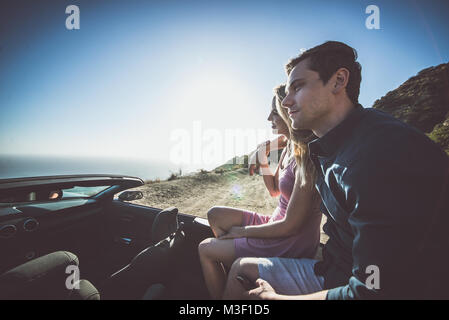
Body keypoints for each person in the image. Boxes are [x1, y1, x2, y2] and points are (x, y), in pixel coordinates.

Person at [223, 41, 449, 300]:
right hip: (335, 268)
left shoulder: (377, 156)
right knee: (241, 270)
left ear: (338, 81)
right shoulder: (334, 143)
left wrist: (278, 299)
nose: (285, 102)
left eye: (297, 87)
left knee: (243, 280)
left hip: (363, 283)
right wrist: (268, 150)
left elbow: (374, 291)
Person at [198, 85, 322, 299]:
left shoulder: (305, 156)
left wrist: (243, 232)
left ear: (288, 113)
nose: (268, 118)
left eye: (274, 112)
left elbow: (290, 226)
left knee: (205, 249)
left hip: (290, 238)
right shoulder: (290, 146)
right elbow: (274, 190)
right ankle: (238, 274)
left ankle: (228, 294)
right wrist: (264, 155)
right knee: (214, 215)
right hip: (276, 222)